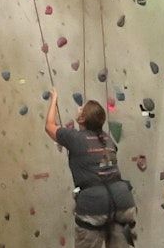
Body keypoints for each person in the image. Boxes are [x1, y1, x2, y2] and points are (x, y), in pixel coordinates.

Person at [45, 89, 137, 247]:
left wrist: (54, 99)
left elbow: (49, 126)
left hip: (94, 205)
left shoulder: (75, 138)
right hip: (123, 203)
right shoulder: (107, 139)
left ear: (82, 119)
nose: (79, 108)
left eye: (82, 109)